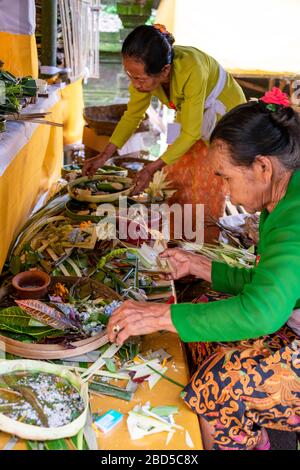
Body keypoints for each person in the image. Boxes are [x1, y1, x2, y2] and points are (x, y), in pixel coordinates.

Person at [107, 88, 300, 450]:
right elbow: (271, 285)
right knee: (199, 312)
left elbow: (262, 310)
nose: (224, 192)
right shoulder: (282, 196)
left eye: (225, 178)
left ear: (262, 166)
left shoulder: (295, 217)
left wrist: (160, 315)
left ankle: (239, 434)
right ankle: (247, 436)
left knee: (221, 383)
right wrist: (200, 266)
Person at [83, 24, 245, 241]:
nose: (135, 84)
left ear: (165, 71)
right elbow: (132, 115)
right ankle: (176, 243)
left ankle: (202, 250)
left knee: (205, 186)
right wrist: (104, 155)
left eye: (139, 79)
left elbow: (191, 132)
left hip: (223, 119)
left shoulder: (192, 68)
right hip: (185, 116)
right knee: (172, 178)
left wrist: (151, 167)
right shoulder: (142, 77)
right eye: (130, 75)